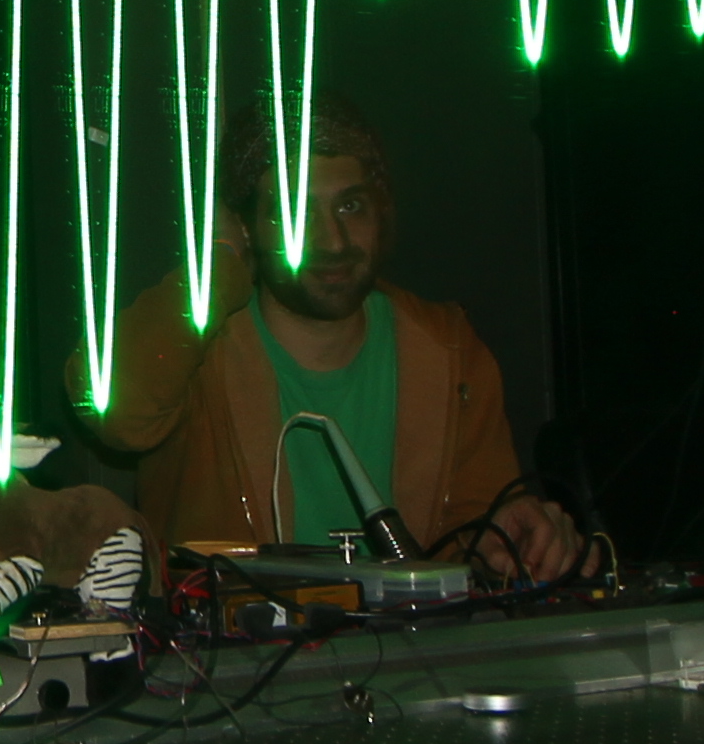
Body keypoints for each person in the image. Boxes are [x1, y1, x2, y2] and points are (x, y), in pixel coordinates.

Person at [85, 96, 592, 585]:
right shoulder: (196, 351)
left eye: (350, 206)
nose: (332, 241)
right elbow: (118, 416)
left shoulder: (449, 353)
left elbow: (476, 531)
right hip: (240, 643)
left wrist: (513, 535)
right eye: (294, 212)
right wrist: (218, 265)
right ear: (245, 225)